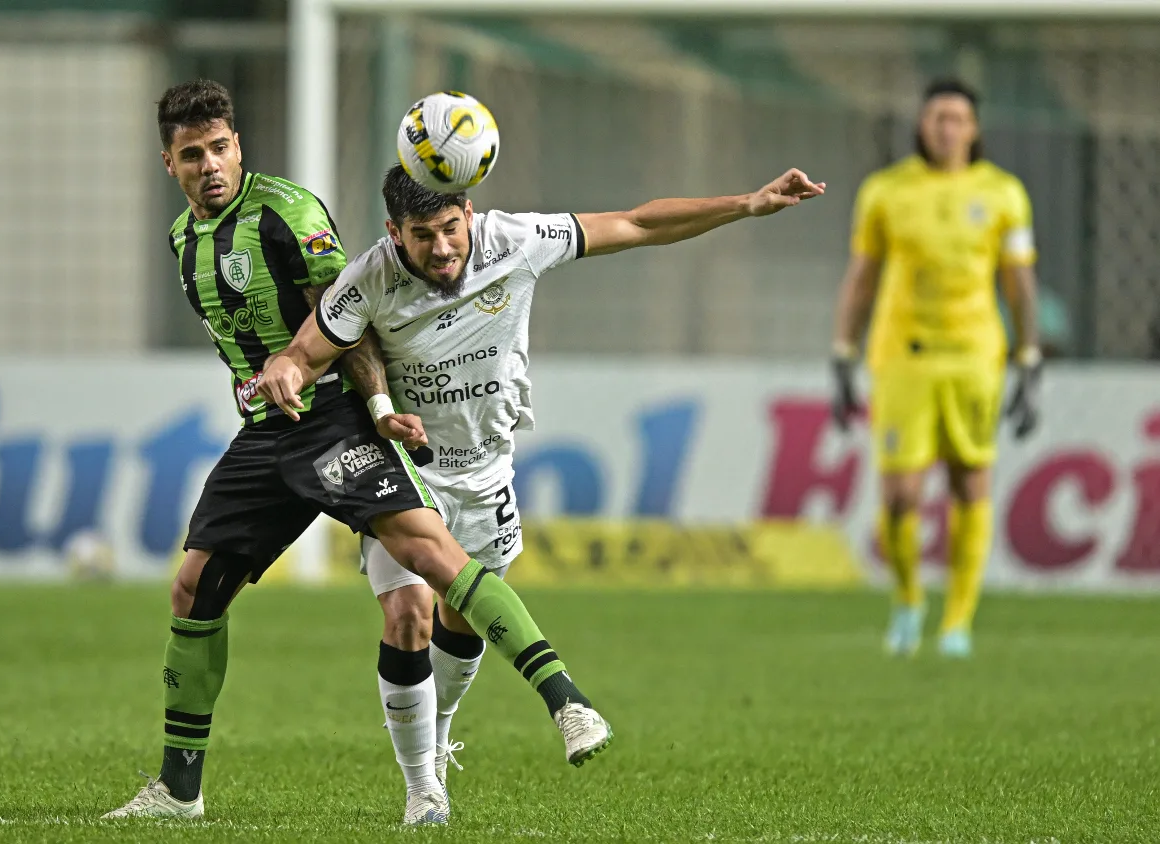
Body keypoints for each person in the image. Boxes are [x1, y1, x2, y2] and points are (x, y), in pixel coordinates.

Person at [104, 79, 612, 823]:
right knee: (193, 590)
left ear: (238, 146)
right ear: (169, 164)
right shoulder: (184, 239)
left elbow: (349, 323)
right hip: (267, 434)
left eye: (218, 148)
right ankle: (179, 791)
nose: (209, 165)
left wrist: (374, 406)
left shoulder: (288, 213)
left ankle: (564, 699)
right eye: (192, 155)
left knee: (429, 561)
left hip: (335, 422)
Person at [259, 163, 827, 821]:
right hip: (407, 470)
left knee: (463, 620)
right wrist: (285, 369)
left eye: (450, 228)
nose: (441, 248)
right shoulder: (368, 280)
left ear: (469, 215)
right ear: (394, 232)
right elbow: (307, 351)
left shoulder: (517, 240)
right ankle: (424, 790)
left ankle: (437, 738)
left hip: (486, 471)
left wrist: (747, 203)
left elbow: (637, 223)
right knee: (409, 614)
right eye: (422, 235)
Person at [829, 78, 1042, 659]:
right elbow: (862, 277)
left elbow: (1019, 282)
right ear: (921, 125)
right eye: (936, 118)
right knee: (901, 494)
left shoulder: (1003, 193)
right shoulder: (885, 191)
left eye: (956, 119)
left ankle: (957, 622)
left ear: (974, 129)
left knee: (970, 481)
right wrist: (843, 351)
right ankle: (907, 602)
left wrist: (1029, 359)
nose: (946, 128)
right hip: (904, 353)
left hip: (975, 354)